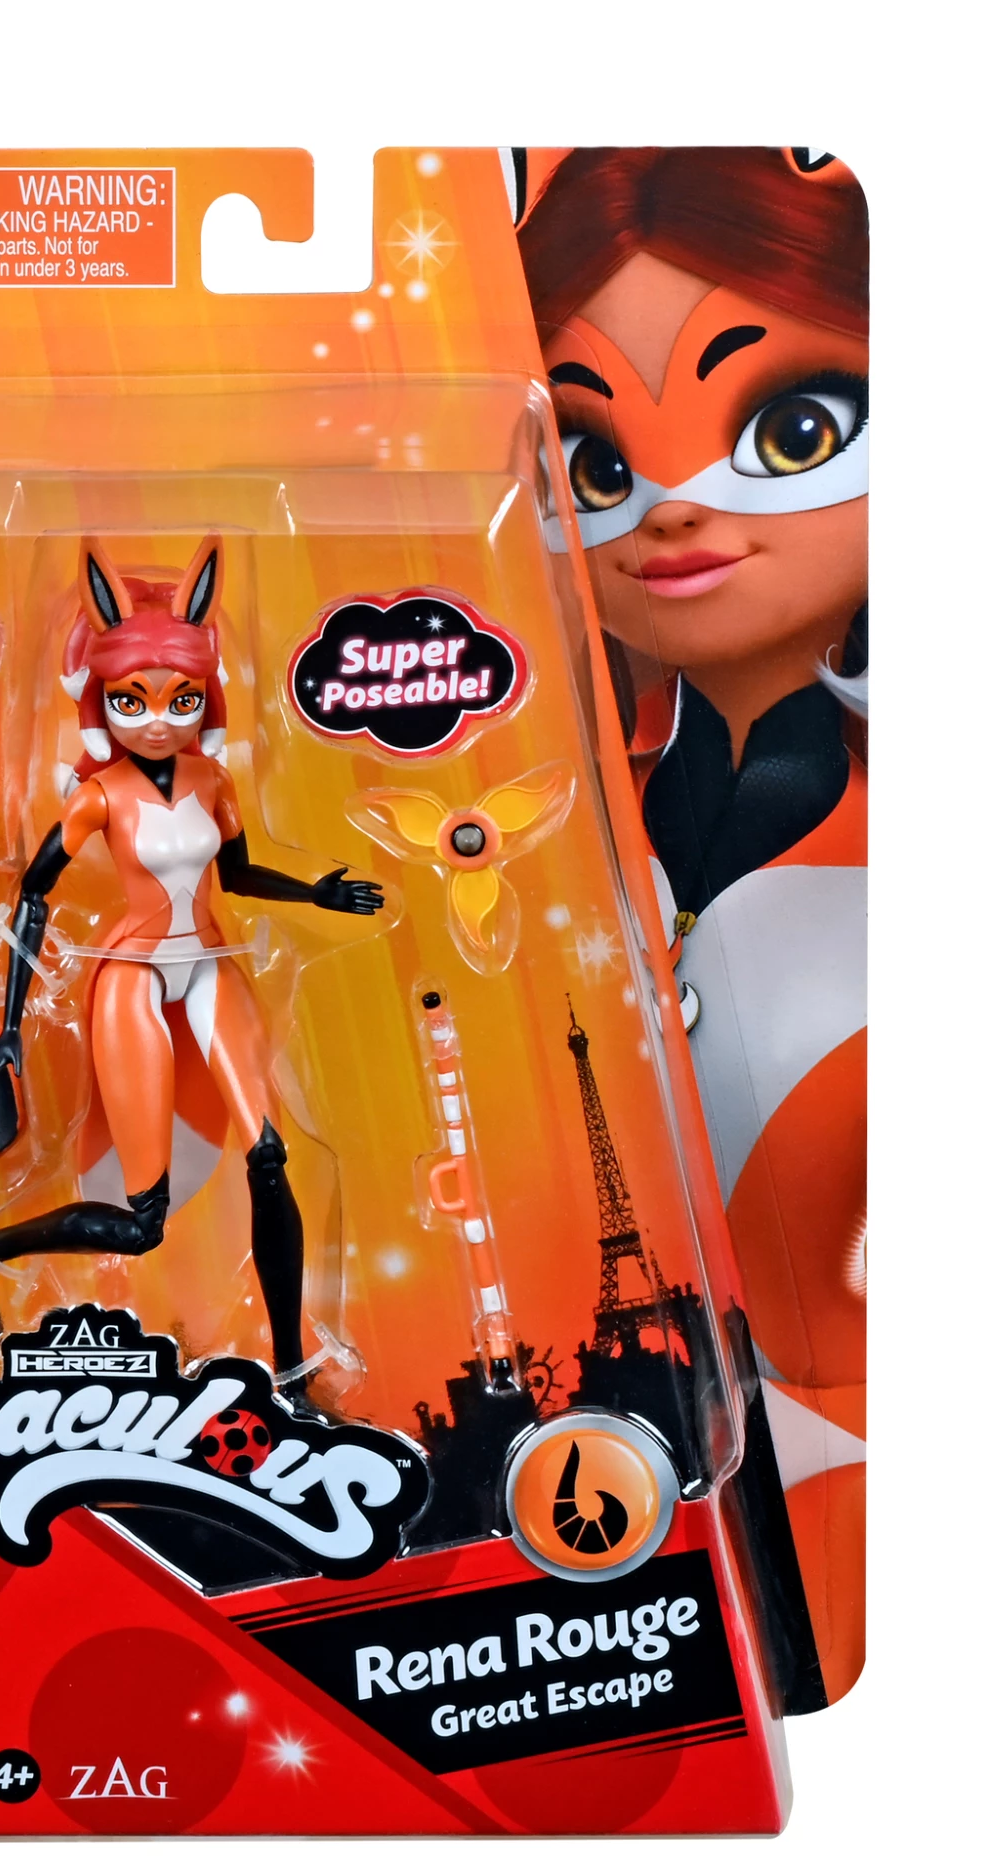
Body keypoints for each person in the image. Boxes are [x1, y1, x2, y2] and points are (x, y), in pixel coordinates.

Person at [519, 149, 867, 1701]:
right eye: (596, 462)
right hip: (649, 1435)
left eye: (792, 430)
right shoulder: (597, 786)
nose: (671, 506)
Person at [0, 537, 383, 1393]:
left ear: (202, 697)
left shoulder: (212, 780)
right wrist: (8, 1027)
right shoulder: (97, 796)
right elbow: (33, 895)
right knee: (142, 1221)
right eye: (132, 701)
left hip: (213, 960)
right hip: (133, 975)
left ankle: (292, 1364)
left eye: (181, 700)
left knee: (269, 1155)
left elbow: (238, 875)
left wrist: (317, 893)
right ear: (104, 701)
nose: (158, 720)